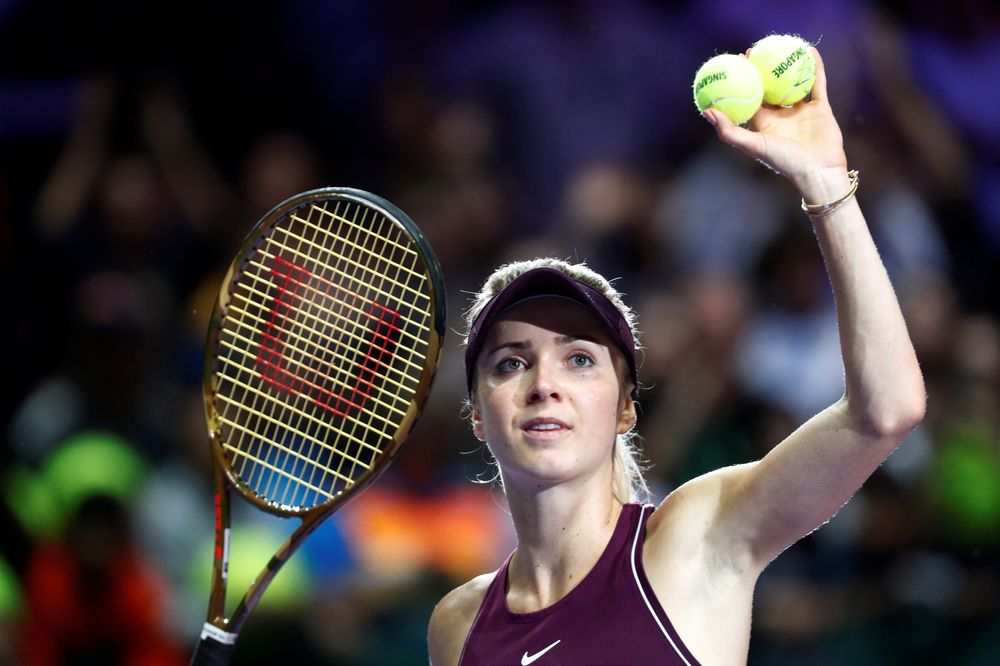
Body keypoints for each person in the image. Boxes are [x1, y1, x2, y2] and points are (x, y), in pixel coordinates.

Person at [427, 47, 926, 665]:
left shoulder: (695, 537)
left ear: (625, 409)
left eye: (579, 358)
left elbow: (886, 410)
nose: (543, 383)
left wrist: (826, 188)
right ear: (477, 413)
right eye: (509, 363)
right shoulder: (458, 625)